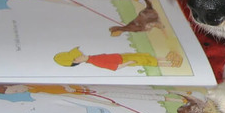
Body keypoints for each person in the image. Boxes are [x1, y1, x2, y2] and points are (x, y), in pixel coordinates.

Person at [53, 47, 183, 69]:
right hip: (124, 60)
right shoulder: (95, 61)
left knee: (146, 56)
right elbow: (114, 66)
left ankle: (168, 59)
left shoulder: (93, 57)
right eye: (78, 56)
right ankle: (170, 64)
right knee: (149, 61)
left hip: (123, 56)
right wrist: (129, 62)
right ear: (76, 61)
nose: (81, 54)